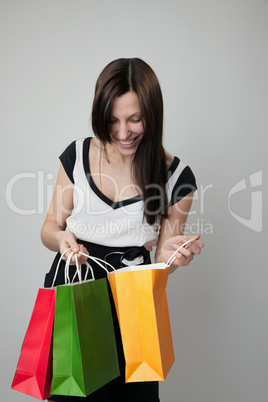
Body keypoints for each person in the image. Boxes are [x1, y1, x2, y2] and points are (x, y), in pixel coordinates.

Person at [41, 57, 204, 402]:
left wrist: (175, 257)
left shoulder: (177, 178)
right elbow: (49, 228)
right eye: (112, 120)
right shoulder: (77, 154)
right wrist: (61, 240)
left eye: (134, 119)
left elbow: (162, 259)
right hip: (77, 289)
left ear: (153, 115)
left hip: (134, 302)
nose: (122, 132)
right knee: (70, 396)